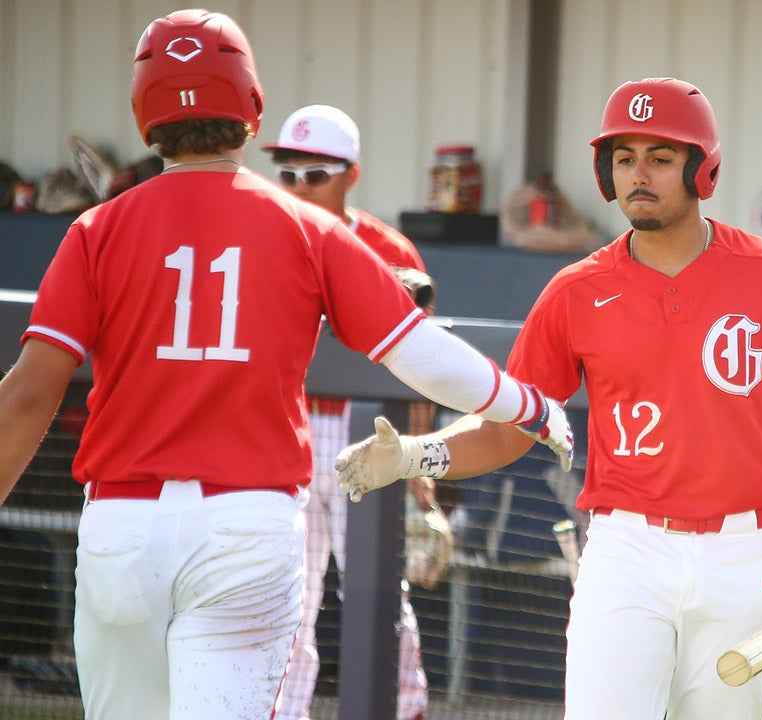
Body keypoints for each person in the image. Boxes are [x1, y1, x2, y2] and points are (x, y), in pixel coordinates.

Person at [0, 9, 571, 719]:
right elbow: (418, 354)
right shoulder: (308, 226)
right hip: (247, 524)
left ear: (145, 110)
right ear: (250, 106)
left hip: (124, 522)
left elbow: (27, 396)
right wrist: (529, 405)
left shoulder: (97, 227)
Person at [335, 76, 762, 720]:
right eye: (624, 159)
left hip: (746, 553)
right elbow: (510, 427)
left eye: (660, 158)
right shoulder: (574, 291)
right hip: (627, 553)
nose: (638, 175)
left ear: (704, 170)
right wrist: (417, 455)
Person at [262, 103, 433, 720]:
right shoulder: (266, 235)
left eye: (317, 173)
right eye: (289, 173)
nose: (301, 185)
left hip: (366, 430)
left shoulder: (388, 246)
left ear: (350, 175)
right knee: (289, 598)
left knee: (379, 592)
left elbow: (418, 369)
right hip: (288, 428)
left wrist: (420, 474)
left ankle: (405, 708)